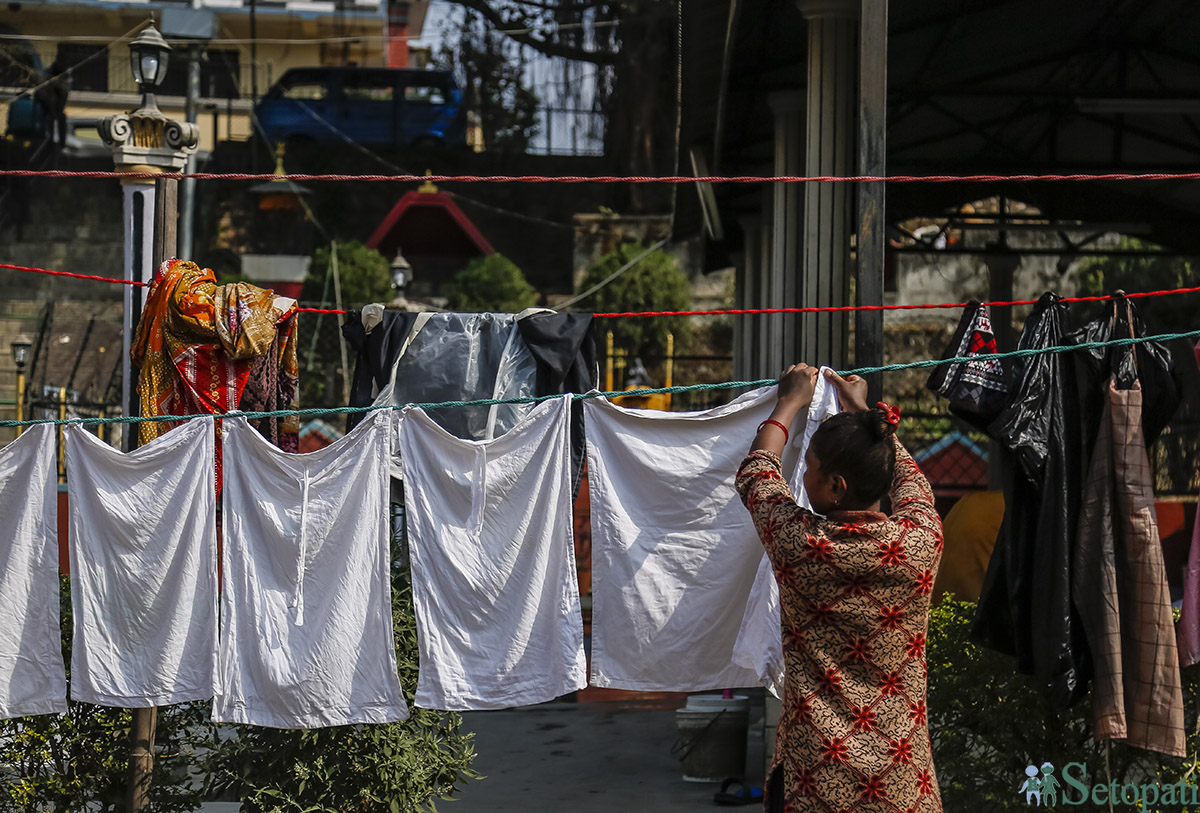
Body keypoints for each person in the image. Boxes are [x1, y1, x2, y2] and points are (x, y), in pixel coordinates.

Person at [736, 364, 944, 812]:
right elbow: (911, 483)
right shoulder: (921, 543)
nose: (802, 476)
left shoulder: (800, 543)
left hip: (814, 783)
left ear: (834, 487)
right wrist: (866, 414)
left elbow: (756, 474)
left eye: (807, 467)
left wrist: (789, 401)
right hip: (902, 783)